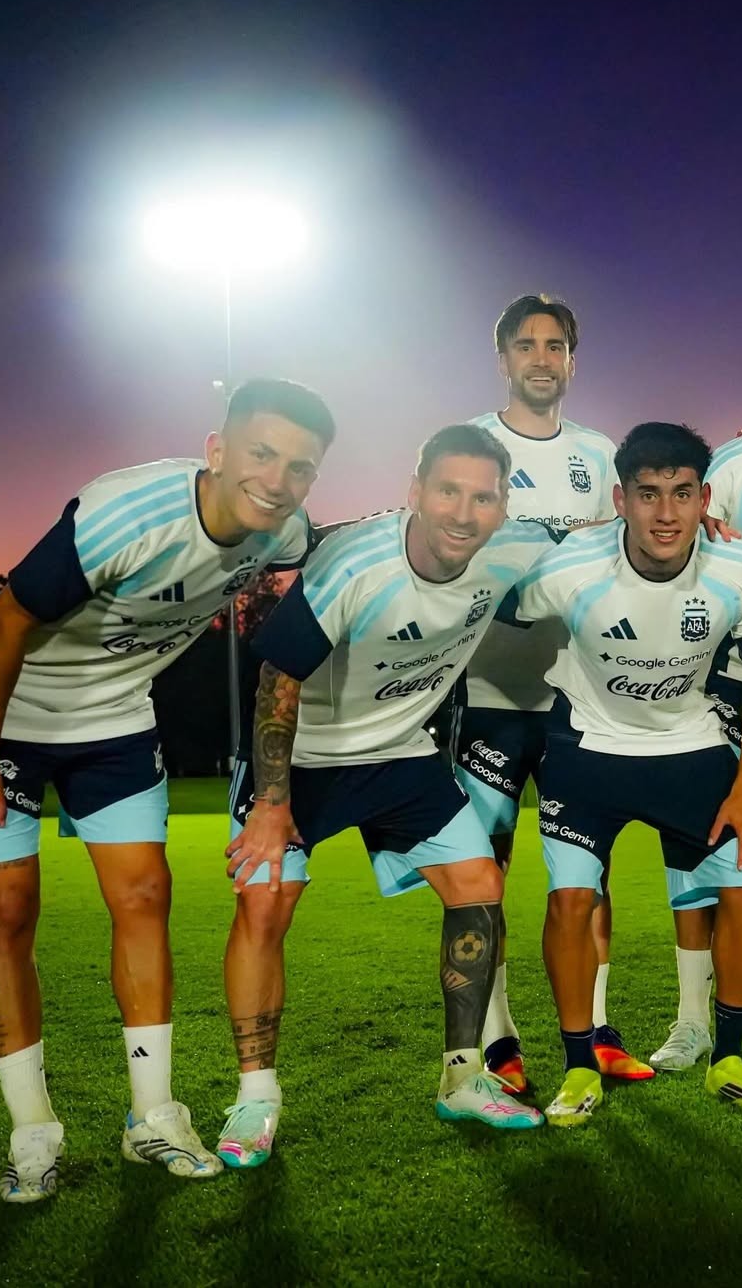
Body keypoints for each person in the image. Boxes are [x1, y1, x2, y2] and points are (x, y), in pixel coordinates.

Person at [0, 378, 334, 1201]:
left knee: (146, 895)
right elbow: (5, 621)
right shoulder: (127, 514)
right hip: (4, 714)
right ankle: (33, 1133)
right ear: (216, 451)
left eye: (300, 467)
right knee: (7, 909)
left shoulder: (284, 530)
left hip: (113, 719)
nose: (277, 479)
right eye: (261, 453)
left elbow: (347, 547)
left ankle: (153, 1117)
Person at [216, 423, 556, 1169]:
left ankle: (463, 1078)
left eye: (483, 498)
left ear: (504, 506)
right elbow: (277, 679)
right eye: (448, 491)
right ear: (415, 491)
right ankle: (255, 1096)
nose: (463, 513)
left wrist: (701, 527)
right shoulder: (356, 562)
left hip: (400, 752)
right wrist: (272, 805)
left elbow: (599, 538)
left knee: (479, 884)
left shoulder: (516, 547)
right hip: (305, 756)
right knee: (265, 903)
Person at [506, 421, 742, 1125]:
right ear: (620, 500)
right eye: (648, 495)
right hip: (588, 748)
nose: (666, 514)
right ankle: (580, 1064)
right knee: (570, 900)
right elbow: (488, 598)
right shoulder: (570, 567)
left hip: (691, 745)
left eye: (682, 494)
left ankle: (728, 1056)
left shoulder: (739, 568)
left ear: (705, 499)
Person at [456, 293, 655, 1090]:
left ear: (572, 360)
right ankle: (497, 1040)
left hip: (581, 701)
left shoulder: (601, 455)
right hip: (490, 695)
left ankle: (597, 1029)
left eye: (555, 346)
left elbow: (633, 546)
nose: (541, 359)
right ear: (503, 357)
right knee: (483, 874)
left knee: (588, 873)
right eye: (526, 344)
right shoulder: (471, 447)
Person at [649, 429, 742, 1070]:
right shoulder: (736, 464)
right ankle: (693, 1022)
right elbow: (692, 536)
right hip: (731, 685)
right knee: (705, 853)